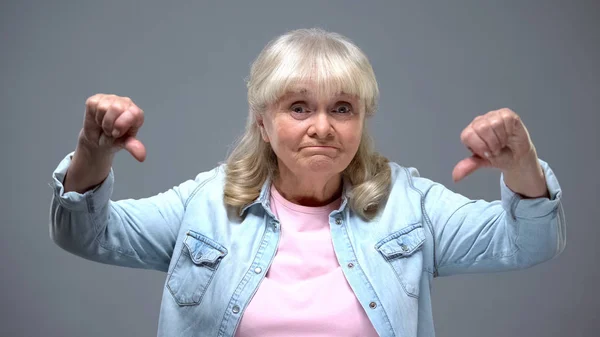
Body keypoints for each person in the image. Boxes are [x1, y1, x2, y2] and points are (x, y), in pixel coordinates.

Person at [49, 28, 566, 337]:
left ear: (361, 118)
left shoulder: (410, 205)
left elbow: (528, 242)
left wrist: (522, 163)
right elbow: (84, 234)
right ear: (263, 123)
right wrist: (93, 153)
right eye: (299, 107)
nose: (323, 126)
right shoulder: (204, 205)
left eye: (342, 107)